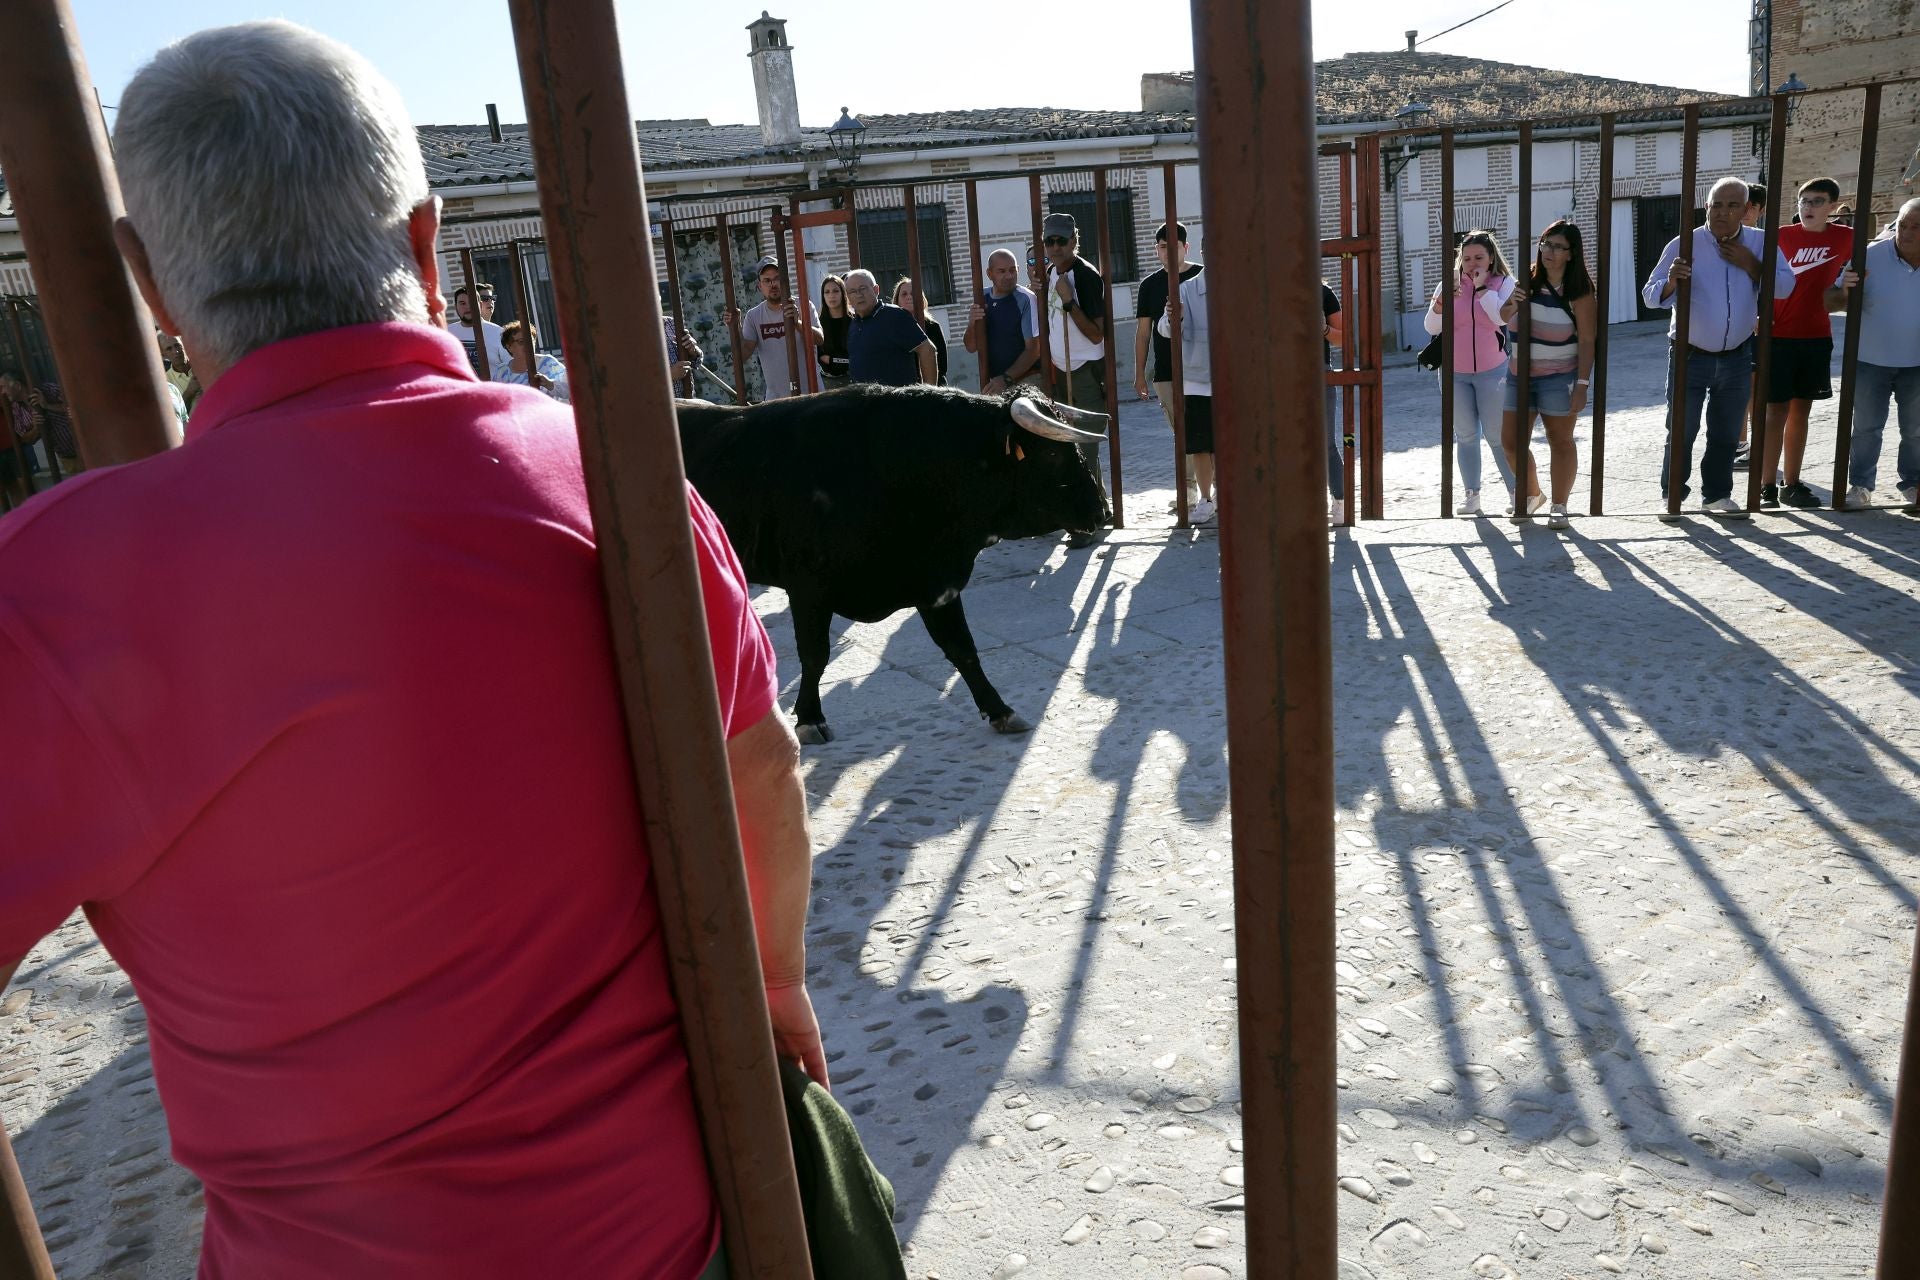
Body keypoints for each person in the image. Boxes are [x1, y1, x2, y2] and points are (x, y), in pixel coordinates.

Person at [1, 22, 829, 1279]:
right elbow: (757, 767)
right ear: (429, 244)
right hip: (657, 1238)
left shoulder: (50, 586)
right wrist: (771, 984)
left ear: (151, 285)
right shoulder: (601, 479)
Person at [1641, 176, 1796, 516]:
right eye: (1716, 205)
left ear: (1747, 209)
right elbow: (1650, 295)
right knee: (1681, 430)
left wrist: (1751, 264)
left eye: (1732, 205)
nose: (1722, 212)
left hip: (1737, 355)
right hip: (1689, 354)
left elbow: (1785, 287)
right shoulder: (1684, 243)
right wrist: (1672, 281)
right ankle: (1673, 496)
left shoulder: (1760, 243)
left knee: (1726, 432)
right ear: (1706, 206)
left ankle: (1716, 496)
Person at [1758, 177, 1854, 508]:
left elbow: (1876, 256)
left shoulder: (1846, 238)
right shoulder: (1780, 236)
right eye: (1804, 201)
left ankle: (1792, 483)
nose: (1808, 208)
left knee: (1801, 412)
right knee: (1775, 411)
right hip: (1777, 336)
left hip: (1815, 337)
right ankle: (1766, 485)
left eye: (1816, 201)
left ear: (1832, 207)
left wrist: (1847, 285)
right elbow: (1756, 276)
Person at [1500, 219, 1598, 531]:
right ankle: (1532, 494)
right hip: (1519, 375)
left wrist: (1582, 384)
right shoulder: (1527, 280)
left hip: (1559, 376)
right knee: (1510, 442)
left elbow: (1587, 340)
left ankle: (1559, 505)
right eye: (1545, 243)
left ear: (1571, 253)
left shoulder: (1579, 292)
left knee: (1560, 440)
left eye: (1557, 246)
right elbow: (1503, 316)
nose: (1549, 251)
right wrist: (1513, 303)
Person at [1423, 229, 1520, 517]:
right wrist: (1442, 302)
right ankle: (1472, 495)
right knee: (1465, 435)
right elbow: (1431, 327)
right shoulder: (1449, 284)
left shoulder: (1504, 283)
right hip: (1454, 372)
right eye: (1466, 258)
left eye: (1479, 257)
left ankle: (1516, 492)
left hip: (1493, 371)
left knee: (1497, 435)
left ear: (1491, 258)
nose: (1472, 263)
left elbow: (1498, 318)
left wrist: (1482, 290)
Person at [1835, 196, 1920, 510]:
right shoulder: (1869, 256)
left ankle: (1913, 484)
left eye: (1916, 227)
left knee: (1916, 430)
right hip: (1870, 358)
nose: (1906, 233)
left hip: (1917, 362)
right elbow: (1834, 300)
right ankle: (1860, 486)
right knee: (1866, 428)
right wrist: (1844, 289)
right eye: (1903, 225)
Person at [1038, 211, 1112, 549]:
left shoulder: (1085, 275)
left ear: (1074, 241)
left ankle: (1086, 523)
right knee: (1075, 448)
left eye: (1060, 241)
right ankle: (1100, 509)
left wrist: (1069, 302)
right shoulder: (1052, 273)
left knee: (1084, 450)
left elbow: (1097, 334)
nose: (1054, 247)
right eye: (1049, 241)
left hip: (1086, 372)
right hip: (1062, 370)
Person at [1133, 221, 1204, 510]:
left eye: (1173, 247)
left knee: (1205, 427)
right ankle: (1189, 490)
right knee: (1182, 432)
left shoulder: (1201, 277)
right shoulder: (1149, 286)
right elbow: (1143, 332)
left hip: (1203, 369)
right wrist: (1139, 373)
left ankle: (1210, 490)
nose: (1168, 252)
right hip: (1166, 371)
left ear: (1185, 247)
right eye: (1163, 247)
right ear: (1156, 249)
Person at [1157, 268, 1216, 523]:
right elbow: (1164, 328)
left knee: (1226, 443)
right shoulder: (1186, 290)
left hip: (1231, 380)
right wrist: (1175, 317)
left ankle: (1224, 494)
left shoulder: (1237, 284)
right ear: (1203, 253)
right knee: (1200, 445)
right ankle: (1206, 499)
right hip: (1196, 381)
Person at [963, 249, 1041, 394]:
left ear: (1018, 270)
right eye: (1002, 271)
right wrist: (972, 323)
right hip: (996, 381)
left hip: (1028, 379)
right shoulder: (982, 297)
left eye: (1012, 270)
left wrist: (1005, 379)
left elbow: (1033, 350)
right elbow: (971, 347)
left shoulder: (1026, 298)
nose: (1009, 276)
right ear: (989, 274)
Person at [842, 268, 937, 387]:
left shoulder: (895, 316)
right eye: (852, 291)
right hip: (863, 398)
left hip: (896, 397)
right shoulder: (853, 325)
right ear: (847, 297)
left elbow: (927, 350)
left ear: (876, 290)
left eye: (863, 288)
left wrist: (929, 393)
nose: (859, 295)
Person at [730, 258, 803, 399]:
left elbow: (819, 339)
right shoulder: (753, 315)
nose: (773, 284)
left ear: (785, 281)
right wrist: (735, 327)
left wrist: (797, 323)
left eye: (777, 279)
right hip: (776, 400)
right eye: (767, 280)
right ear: (760, 286)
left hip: (810, 394)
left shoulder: (803, 305)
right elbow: (742, 356)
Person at [1321, 281, 1348, 524]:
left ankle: (1340, 501)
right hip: (1281, 372)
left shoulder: (1323, 293)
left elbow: (1343, 338)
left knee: (1326, 442)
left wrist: (1324, 329)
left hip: (1319, 371)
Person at [447, 283, 509, 380]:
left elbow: (511, 369)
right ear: (456, 307)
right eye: (462, 303)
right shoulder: (447, 333)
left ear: (480, 305)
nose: (468, 307)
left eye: (472, 302)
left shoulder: (498, 333)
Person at [891, 277, 947, 384]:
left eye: (913, 293)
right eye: (904, 294)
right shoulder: (891, 329)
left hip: (933, 387)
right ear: (897, 300)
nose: (909, 297)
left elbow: (942, 366)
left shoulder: (933, 327)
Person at [498, 318, 570, 401]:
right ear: (509, 347)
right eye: (521, 341)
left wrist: (550, 384)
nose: (528, 344)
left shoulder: (548, 362)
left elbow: (569, 390)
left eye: (531, 340)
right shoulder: (501, 372)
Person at [0, 370, 38, 509]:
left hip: (16, 444)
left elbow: (8, 399)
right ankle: (23, 517)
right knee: (10, 489)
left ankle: (36, 513)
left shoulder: (3, 387)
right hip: (8, 445)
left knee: (28, 487)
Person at [815, 273, 853, 389]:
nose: (831, 295)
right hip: (827, 382)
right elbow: (819, 357)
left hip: (853, 380)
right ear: (823, 296)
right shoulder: (818, 323)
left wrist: (832, 359)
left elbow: (856, 357)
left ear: (843, 293)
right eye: (827, 292)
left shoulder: (854, 321)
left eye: (836, 291)